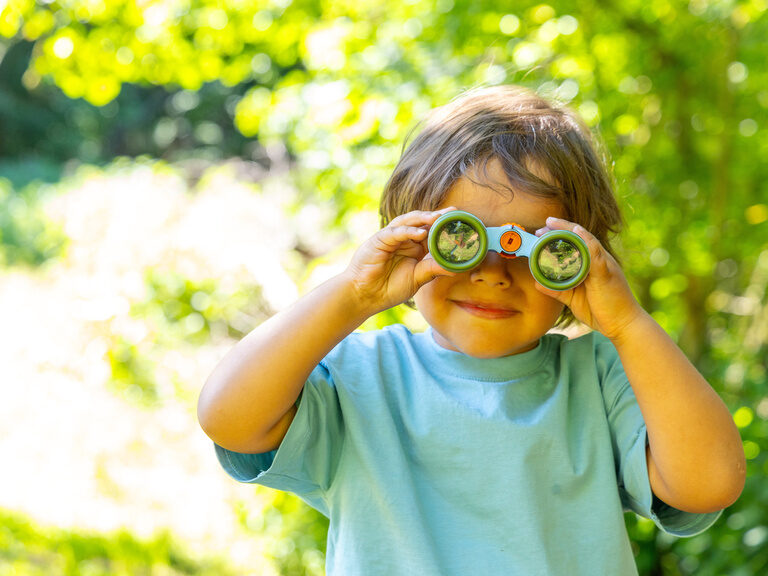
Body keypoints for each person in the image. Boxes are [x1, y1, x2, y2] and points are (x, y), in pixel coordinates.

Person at [198, 85, 745, 575]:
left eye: (540, 250)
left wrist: (627, 324)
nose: (492, 273)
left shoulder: (602, 377)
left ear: (577, 258)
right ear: (409, 236)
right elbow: (229, 419)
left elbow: (709, 483)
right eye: (460, 239)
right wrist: (354, 294)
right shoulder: (363, 375)